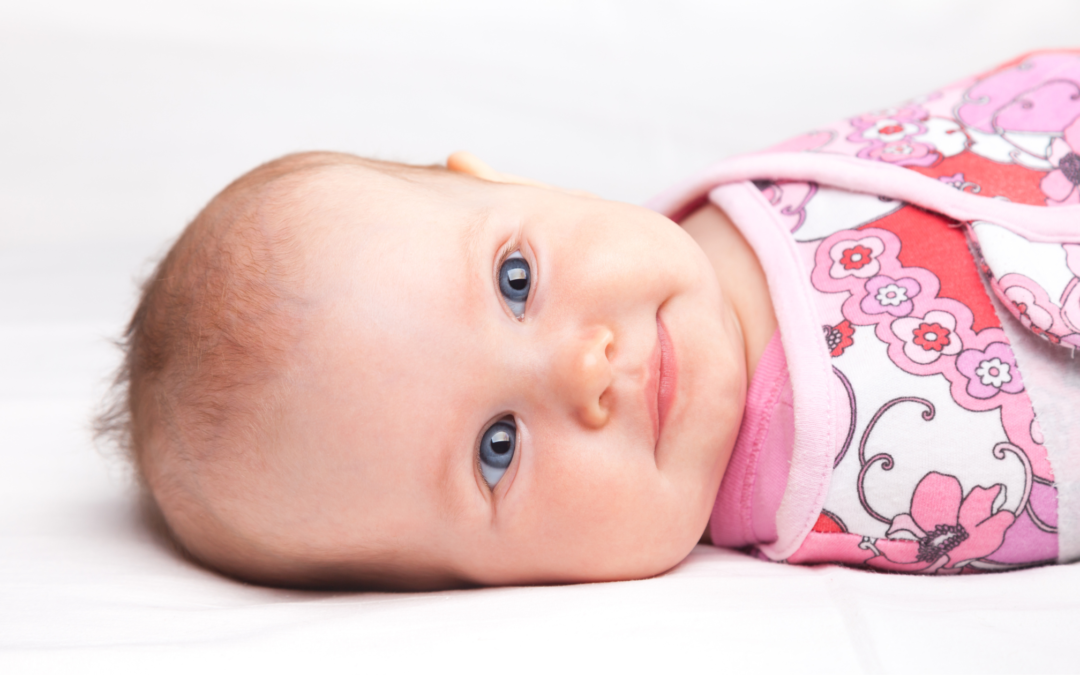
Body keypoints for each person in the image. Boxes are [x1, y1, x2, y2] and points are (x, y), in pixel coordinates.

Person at [98, 50, 1080, 588]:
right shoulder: (853, 491)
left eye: (516, 280)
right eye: (496, 448)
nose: (583, 370)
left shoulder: (738, 196)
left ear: (496, 181)